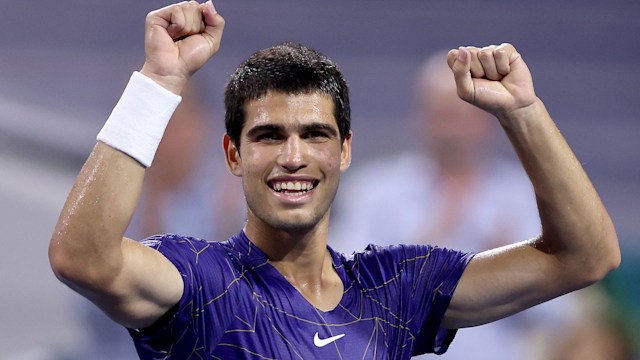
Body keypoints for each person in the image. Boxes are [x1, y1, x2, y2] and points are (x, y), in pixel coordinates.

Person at [48, 1, 620, 359]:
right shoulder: (202, 279)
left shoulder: (395, 288)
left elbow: (584, 258)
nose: (293, 157)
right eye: (269, 136)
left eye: (316, 135)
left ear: (345, 151)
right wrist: (157, 81)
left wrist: (523, 112)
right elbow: (84, 258)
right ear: (232, 153)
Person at [330, 51, 575, 360]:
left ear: (487, 118)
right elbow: (340, 290)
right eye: (441, 114)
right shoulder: (375, 191)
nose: (451, 131)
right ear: (420, 116)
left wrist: (516, 262)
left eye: (462, 116)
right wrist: (424, 247)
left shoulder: (523, 195)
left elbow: (561, 309)